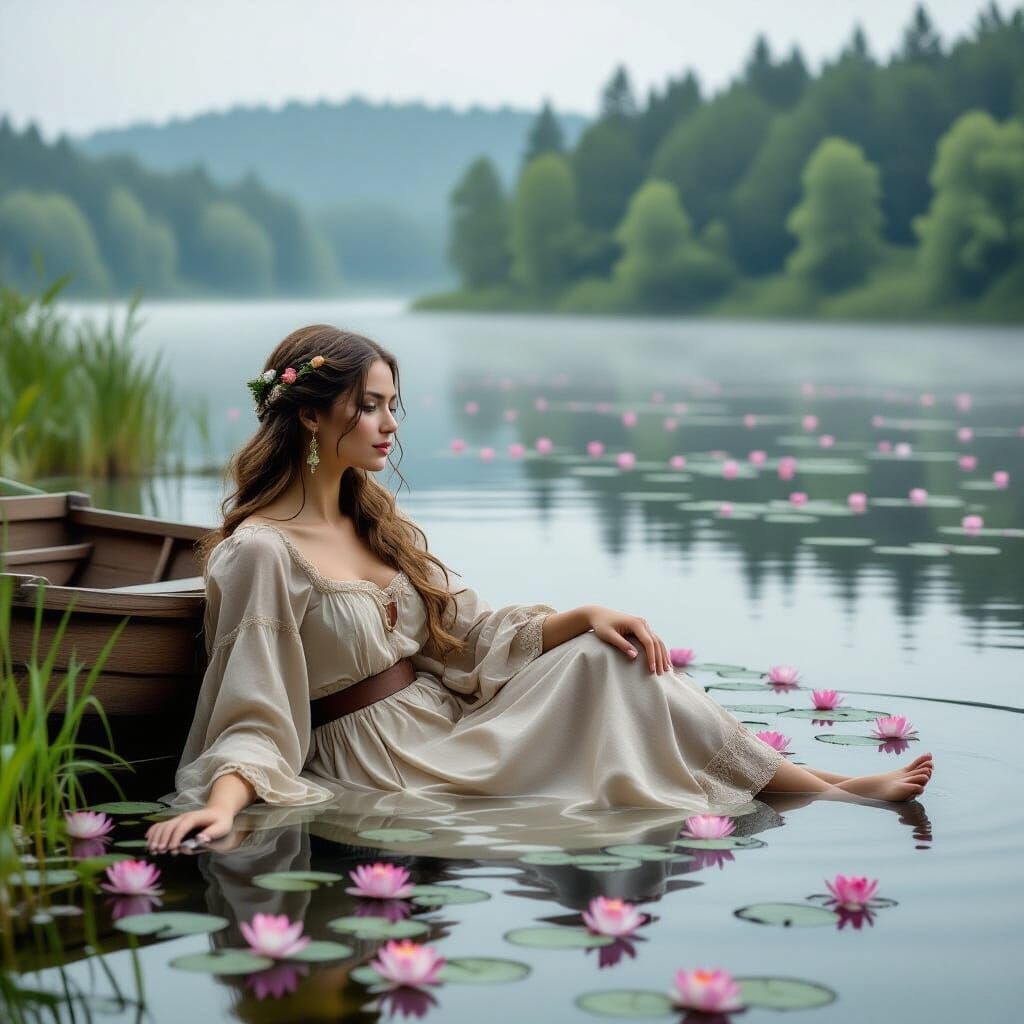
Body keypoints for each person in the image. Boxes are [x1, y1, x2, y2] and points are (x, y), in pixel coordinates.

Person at [146, 325, 934, 854]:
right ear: (314, 416)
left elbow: (468, 636)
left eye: (395, 407)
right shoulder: (261, 553)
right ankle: (831, 791)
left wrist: (585, 613)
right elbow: (251, 703)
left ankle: (827, 787)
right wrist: (222, 803)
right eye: (371, 406)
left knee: (604, 651)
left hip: (448, 715)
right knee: (607, 687)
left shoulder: (373, 519)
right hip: (383, 759)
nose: (389, 425)